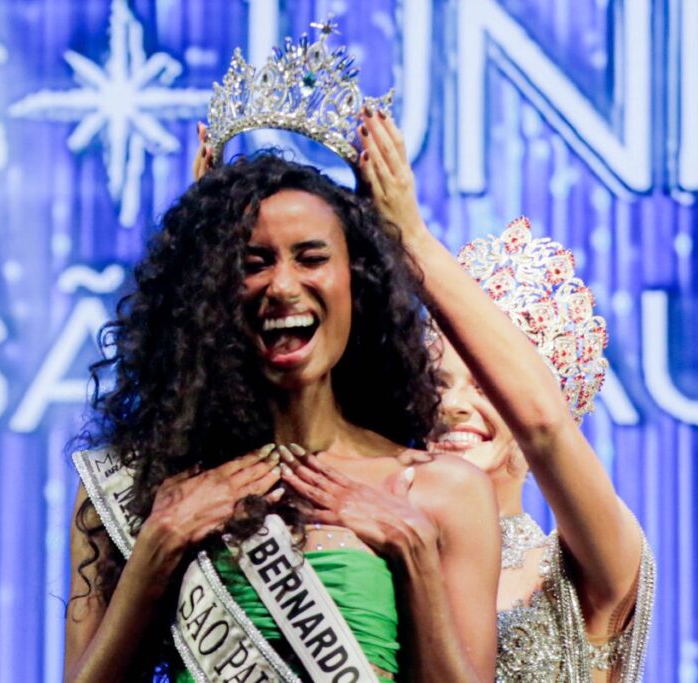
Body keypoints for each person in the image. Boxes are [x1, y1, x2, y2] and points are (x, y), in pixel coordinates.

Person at [64, 152, 500, 682]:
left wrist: (414, 559)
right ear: (208, 299)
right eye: (253, 265)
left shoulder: (442, 492)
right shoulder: (137, 488)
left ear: (357, 287)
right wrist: (157, 549)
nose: (283, 286)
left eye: (311, 258)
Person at [357, 110, 655, 681]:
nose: (454, 405)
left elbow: (545, 429)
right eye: (437, 382)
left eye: (485, 385)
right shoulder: (369, 550)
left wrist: (413, 241)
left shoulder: (586, 566)